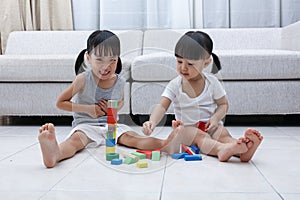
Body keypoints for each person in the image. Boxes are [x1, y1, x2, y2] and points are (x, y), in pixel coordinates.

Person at [38, 30, 180, 168]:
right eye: (99, 60)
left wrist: (113, 108)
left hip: (111, 126)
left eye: (112, 60)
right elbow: (61, 103)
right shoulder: (83, 79)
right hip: (86, 125)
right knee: (75, 142)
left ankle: (165, 144)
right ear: (88, 58)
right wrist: (88, 109)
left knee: (133, 138)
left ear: (118, 58)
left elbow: (121, 101)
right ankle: (55, 153)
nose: (106, 66)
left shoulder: (120, 82)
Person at [142, 31, 263, 162]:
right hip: (186, 132)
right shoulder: (175, 85)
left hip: (208, 127)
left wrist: (216, 118)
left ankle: (242, 148)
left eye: (190, 64)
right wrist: (152, 122)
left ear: (206, 62)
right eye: (179, 61)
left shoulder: (212, 83)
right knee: (199, 136)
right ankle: (221, 150)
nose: (183, 68)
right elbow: (161, 106)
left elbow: (223, 104)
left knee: (222, 133)